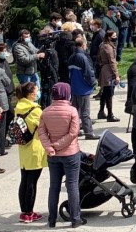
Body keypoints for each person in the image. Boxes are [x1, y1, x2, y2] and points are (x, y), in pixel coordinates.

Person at [38, 82, 85, 228]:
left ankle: (52, 219)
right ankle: (75, 219)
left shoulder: (45, 112)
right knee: (72, 186)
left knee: (54, 187)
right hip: (70, 153)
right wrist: (57, 145)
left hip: (53, 155)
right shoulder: (72, 111)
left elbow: (41, 133)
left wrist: (49, 147)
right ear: (67, 94)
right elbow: (73, 133)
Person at [14, 82, 47, 223]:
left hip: (23, 148)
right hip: (35, 147)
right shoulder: (35, 110)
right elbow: (44, 127)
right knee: (32, 182)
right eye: (36, 91)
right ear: (31, 94)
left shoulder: (19, 106)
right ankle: (29, 213)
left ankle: (24, 212)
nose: (38, 93)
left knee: (24, 180)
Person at [68, 37, 98, 140]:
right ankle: (89, 133)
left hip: (74, 88)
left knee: (75, 112)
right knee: (85, 112)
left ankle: (74, 130)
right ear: (83, 45)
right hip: (83, 89)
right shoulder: (83, 57)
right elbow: (88, 73)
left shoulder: (71, 57)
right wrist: (93, 83)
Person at [98, 30, 120, 122]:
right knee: (109, 93)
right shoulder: (108, 47)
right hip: (109, 71)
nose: (115, 37)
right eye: (114, 36)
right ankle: (110, 114)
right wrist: (116, 75)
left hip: (104, 69)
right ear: (109, 37)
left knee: (105, 92)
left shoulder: (102, 45)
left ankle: (101, 111)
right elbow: (111, 61)